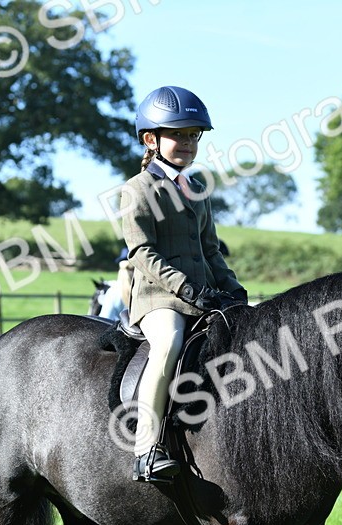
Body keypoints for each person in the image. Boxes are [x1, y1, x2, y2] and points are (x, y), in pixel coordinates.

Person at [120, 85, 247, 483]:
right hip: (158, 298)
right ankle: (146, 449)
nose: (188, 144)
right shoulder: (136, 189)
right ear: (151, 139)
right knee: (171, 342)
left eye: (194, 135)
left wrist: (234, 290)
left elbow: (211, 251)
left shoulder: (197, 189)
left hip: (204, 295)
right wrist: (187, 290)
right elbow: (142, 252)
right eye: (179, 135)